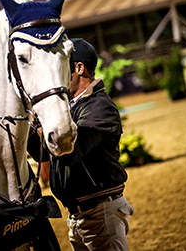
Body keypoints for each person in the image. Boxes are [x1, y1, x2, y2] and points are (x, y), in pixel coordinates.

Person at [29, 38, 133, 251]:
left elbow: (70, 151)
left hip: (100, 213)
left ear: (79, 68)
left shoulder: (99, 107)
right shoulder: (71, 108)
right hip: (78, 215)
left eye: (60, 67)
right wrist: (28, 124)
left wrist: (44, 130)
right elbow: (41, 154)